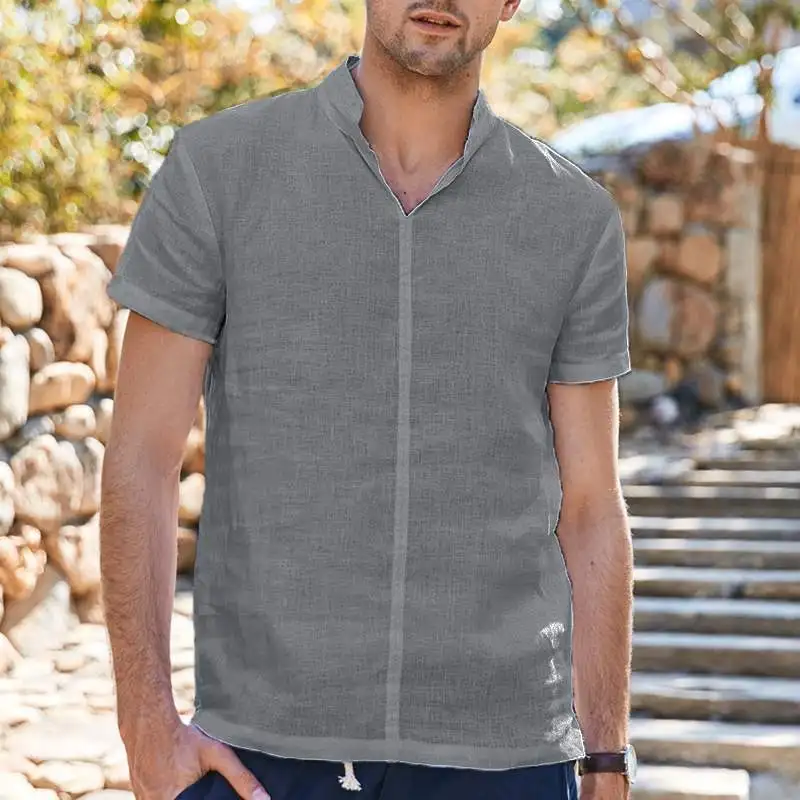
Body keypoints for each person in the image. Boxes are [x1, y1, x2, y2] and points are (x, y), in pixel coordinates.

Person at [99, 0, 637, 798]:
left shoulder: (572, 218)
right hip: (263, 753)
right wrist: (146, 725)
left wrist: (607, 757)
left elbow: (592, 506)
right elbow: (142, 458)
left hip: (506, 759)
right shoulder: (218, 171)